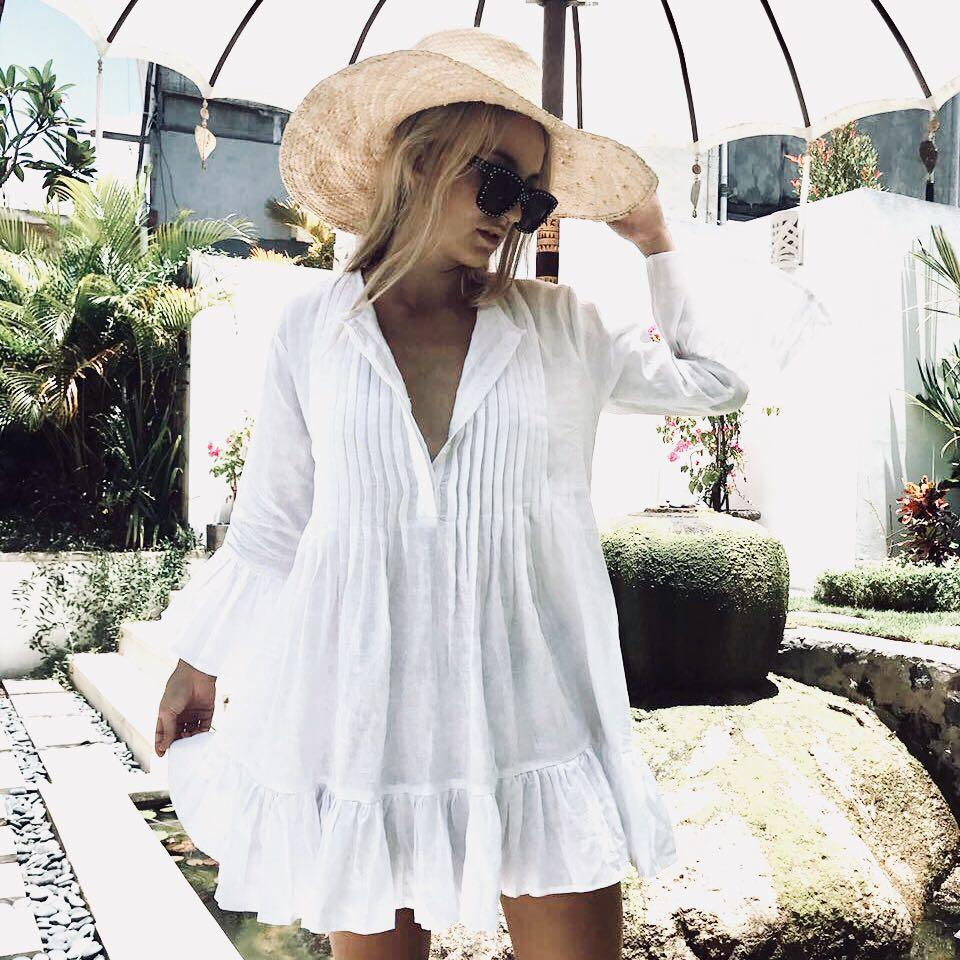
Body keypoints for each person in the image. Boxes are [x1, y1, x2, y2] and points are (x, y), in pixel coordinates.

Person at [153, 27, 752, 960]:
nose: (515, 216)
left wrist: (656, 240)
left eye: (535, 197)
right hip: (367, 722)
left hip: (538, 717)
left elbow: (718, 381)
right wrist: (200, 664)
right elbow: (273, 526)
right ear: (421, 157)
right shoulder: (313, 329)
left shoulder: (562, 329)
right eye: (500, 182)